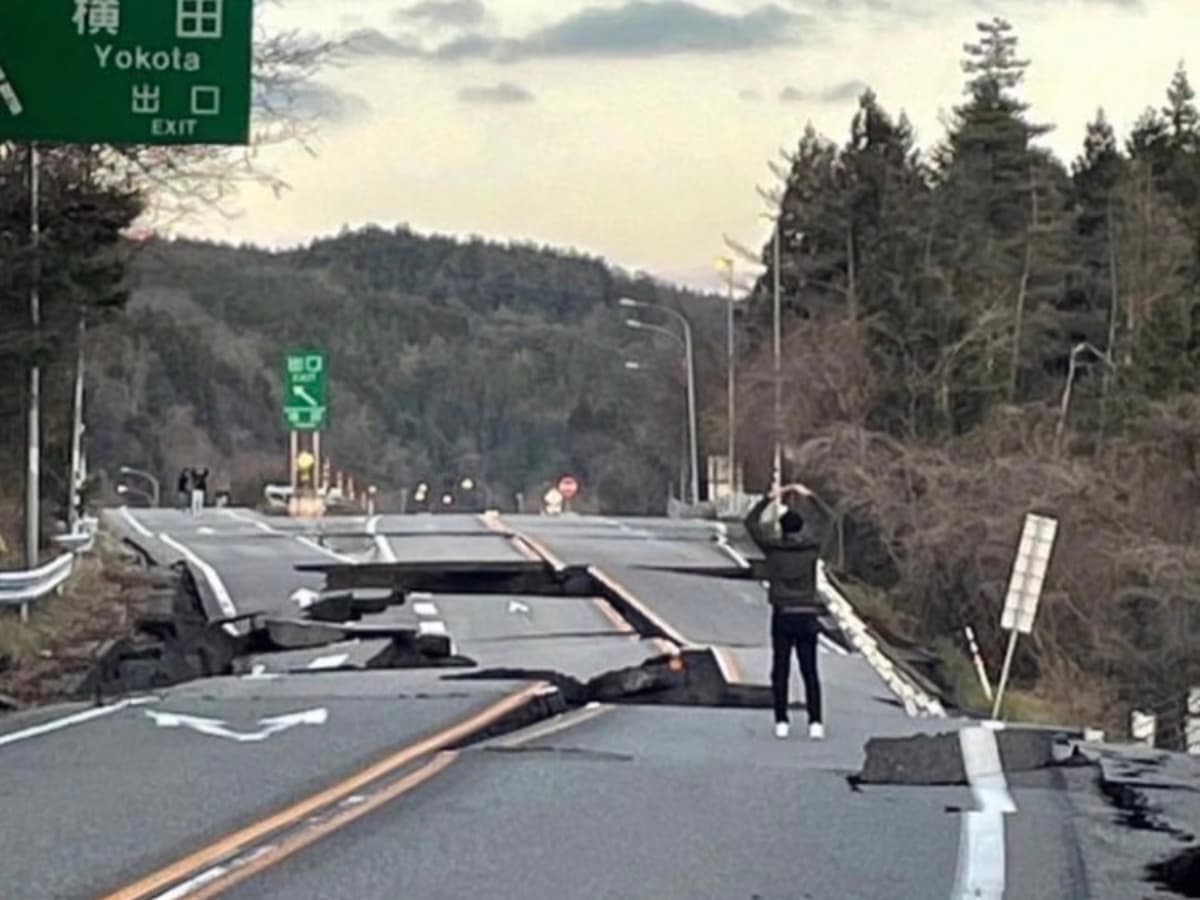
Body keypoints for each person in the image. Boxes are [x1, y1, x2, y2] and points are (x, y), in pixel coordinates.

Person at [744, 482, 835, 741]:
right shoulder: (811, 549)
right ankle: (815, 722)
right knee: (810, 670)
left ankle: (781, 721)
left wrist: (769, 498)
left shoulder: (773, 549)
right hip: (807, 615)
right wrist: (811, 496)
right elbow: (829, 520)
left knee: (780, 669)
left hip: (782, 615)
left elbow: (750, 523)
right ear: (801, 528)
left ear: (782, 529)